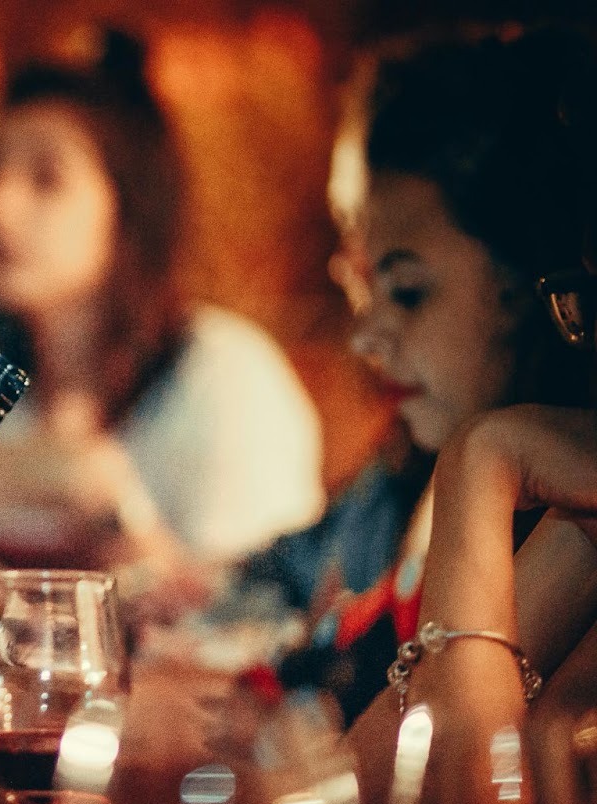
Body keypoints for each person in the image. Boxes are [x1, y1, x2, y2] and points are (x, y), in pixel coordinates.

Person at [236, 27, 595, 726]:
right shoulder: (408, 474)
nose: (365, 334)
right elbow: (288, 581)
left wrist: (236, 783)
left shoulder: (560, 511)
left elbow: (450, 796)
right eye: (357, 281)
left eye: (405, 292)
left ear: (530, 291)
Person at [0, 29, 324, 575]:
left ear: (129, 213)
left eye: (46, 179)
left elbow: (266, 601)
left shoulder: (222, 375)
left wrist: (113, 512)